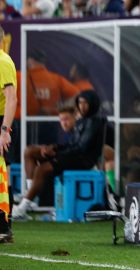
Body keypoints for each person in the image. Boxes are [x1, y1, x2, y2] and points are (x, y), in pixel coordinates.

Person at [13, 91, 106, 219]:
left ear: (93, 104)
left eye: (86, 103)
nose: (82, 106)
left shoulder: (95, 122)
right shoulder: (83, 121)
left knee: (42, 168)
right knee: (30, 151)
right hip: (73, 156)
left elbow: (81, 148)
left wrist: (57, 153)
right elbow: (72, 144)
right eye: (80, 102)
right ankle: (32, 199)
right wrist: (54, 148)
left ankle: (22, 208)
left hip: (82, 161)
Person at [0, 26, 18, 244]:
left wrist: (5, 131)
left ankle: (4, 227)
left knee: (2, 177)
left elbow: (11, 98)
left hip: (2, 122)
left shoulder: (3, 62)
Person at [26, 49, 80, 116]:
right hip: (52, 120)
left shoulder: (22, 78)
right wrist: (62, 108)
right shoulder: (56, 79)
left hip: (26, 122)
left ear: (30, 60)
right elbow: (78, 95)